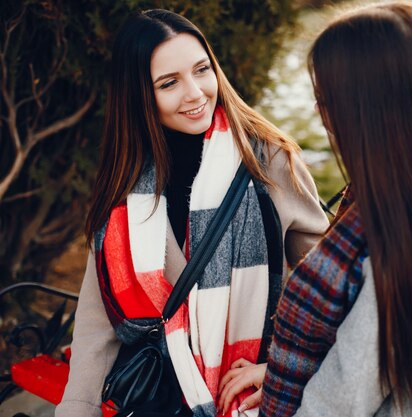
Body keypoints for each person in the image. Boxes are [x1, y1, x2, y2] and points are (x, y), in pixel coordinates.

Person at [219, 2, 412, 416]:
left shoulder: (394, 245)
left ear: (372, 111)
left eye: (328, 98)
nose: (319, 113)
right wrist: (278, 373)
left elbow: (343, 401)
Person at [55, 9, 329, 417]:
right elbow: (98, 321)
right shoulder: (127, 183)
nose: (196, 92)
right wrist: (77, 407)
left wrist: (281, 368)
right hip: (158, 397)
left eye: (202, 70)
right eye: (169, 83)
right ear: (139, 96)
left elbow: (327, 291)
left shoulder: (267, 161)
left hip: (250, 397)